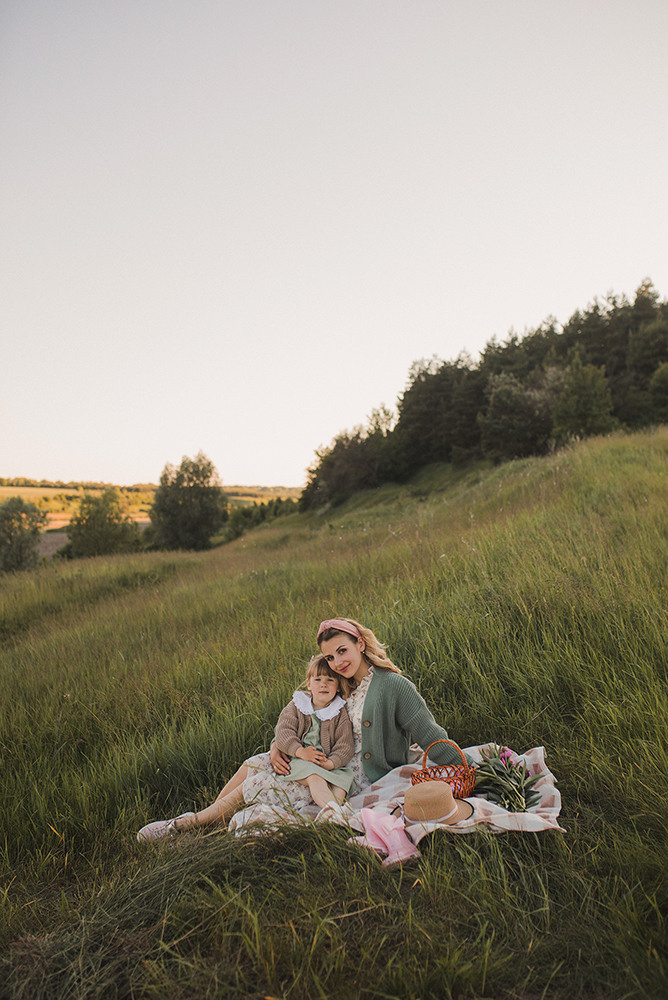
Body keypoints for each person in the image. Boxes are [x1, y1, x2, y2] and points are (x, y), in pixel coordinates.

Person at [137, 617, 473, 842]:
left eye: (343, 650)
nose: (337, 661)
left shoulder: (393, 686)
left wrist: (462, 770)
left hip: (353, 772)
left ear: (359, 643)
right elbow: (303, 717)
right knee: (253, 764)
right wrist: (277, 746)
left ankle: (187, 825)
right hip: (321, 754)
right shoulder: (341, 683)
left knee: (257, 783)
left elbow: (429, 732)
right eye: (329, 656)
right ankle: (210, 817)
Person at [273, 654, 354, 810]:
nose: (323, 684)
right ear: (309, 684)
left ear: (338, 686)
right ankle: (336, 813)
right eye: (318, 680)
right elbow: (283, 733)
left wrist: (330, 763)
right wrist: (300, 752)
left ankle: (335, 813)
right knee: (315, 777)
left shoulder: (339, 712)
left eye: (330, 680)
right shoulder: (297, 705)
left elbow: (345, 745)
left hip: (327, 762)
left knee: (344, 778)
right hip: (300, 759)